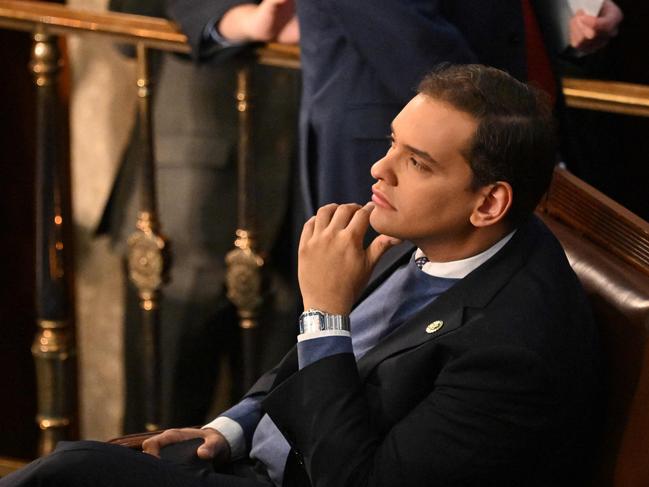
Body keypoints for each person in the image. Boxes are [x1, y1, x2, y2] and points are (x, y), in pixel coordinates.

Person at [1, 64, 601, 487]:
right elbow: (326, 366)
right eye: (393, 143)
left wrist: (325, 314)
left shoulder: (514, 346)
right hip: (250, 460)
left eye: (415, 163)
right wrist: (231, 427)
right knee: (73, 467)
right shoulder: (418, 232)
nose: (378, 168)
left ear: (489, 204)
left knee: (71, 473)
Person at [169, 0, 622, 217]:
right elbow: (413, 43)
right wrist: (517, 140)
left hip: (509, 139)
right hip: (406, 152)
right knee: (384, 350)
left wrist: (574, 20)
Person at [98, 0, 301, 431]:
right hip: (186, 204)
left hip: (312, 197)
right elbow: (124, 18)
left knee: (269, 431)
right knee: (157, 424)